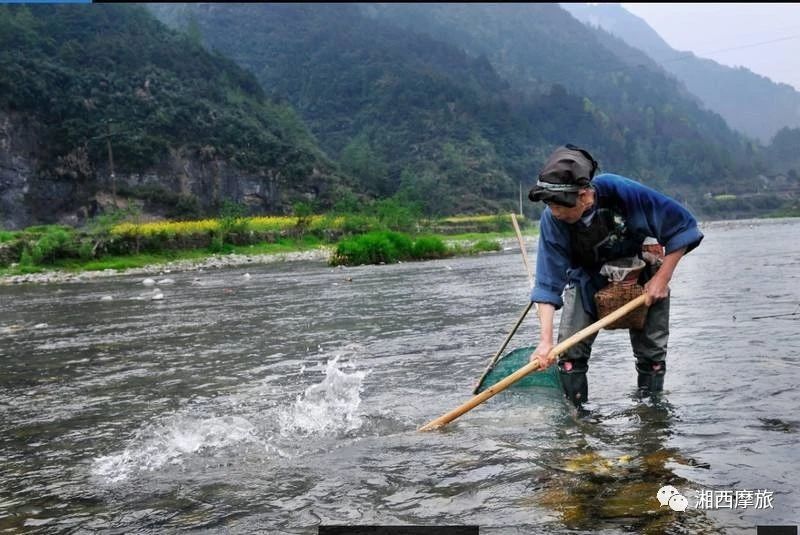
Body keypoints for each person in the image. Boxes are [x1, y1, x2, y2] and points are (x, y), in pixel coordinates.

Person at [527, 144, 703, 406]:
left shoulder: (622, 192)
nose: (555, 212)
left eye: (560, 205)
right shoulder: (553, 220)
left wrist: (662, 279)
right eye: (550, 205)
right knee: (569, 355)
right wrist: (545, 342)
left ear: (586, 196)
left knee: (652, 357)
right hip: (587, 277)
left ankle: (650, 417)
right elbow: (547, 282)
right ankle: (578, 422)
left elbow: (681, 227)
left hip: (641, 272)